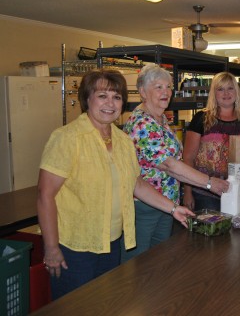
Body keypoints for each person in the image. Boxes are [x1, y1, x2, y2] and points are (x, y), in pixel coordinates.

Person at [37, 69, 195, 300]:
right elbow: (45, 195)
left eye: (117, 97)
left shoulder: (122, 140)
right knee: (75, 307)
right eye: (102, 96)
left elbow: (136, 183)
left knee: (107, 304)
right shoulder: (67, 138)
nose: (110, 103)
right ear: (87, 99)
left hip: (112, 242)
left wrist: (173, 208)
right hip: (75, 246)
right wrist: (51, 248)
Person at [122, 64, 229, 262]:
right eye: (158, 87)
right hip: (145, 207)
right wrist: (208, 182)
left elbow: (174, 167)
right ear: (143, 92)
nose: (166, 92)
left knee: (160, 261)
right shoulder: (142, 123)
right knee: (138, 268)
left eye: (168, 86)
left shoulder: (161, 119)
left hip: (166, 204)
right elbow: (169, 165)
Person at [183, 71, 240, 211]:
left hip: (239, 192)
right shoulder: (201, 118)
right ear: (214, 94)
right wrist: (187, 192)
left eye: (230, 88)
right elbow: (188, 158)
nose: (226, 93)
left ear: (236, 91)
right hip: (205, 192)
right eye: (220, 89)